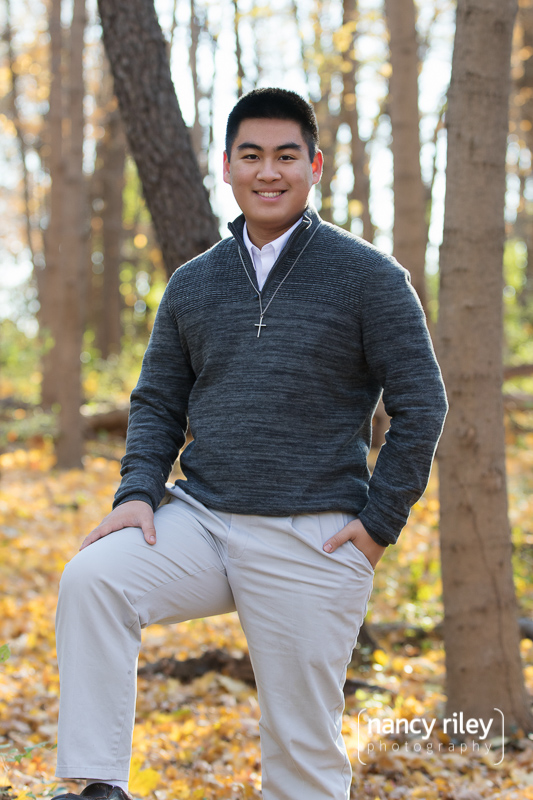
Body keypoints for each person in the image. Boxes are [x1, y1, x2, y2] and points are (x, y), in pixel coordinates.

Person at [52, 87, 447, 800]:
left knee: (300, 758)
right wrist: (137, 494)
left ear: (314, 165)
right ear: (227, 166)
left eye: (286, 156)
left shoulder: (369, 278)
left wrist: (377, 525)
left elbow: (422, 405)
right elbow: (156, 403)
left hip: (314, 532)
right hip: (199, 519)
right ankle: (97, 784)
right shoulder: (193, 284)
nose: (269, 172)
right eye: (252, 156)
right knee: (93, 580)